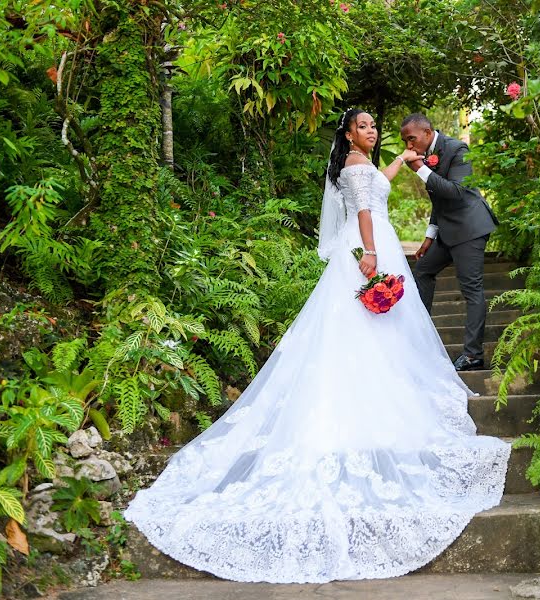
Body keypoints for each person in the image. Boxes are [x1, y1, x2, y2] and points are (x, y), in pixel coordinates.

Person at [124, 108, 510, 584]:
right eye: (364, 126)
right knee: (363, 328)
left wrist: (401, 162)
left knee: (377, 331)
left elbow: (379, 184)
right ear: (348, 133)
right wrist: (370, 253)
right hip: (370, 248)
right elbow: (366, 210)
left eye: (374, 127)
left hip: (378, 241)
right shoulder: (353, 166)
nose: (372, 132)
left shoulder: (364, 165)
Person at [400, 113, 499, 372]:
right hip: (446, 230)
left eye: (411, 139)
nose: (409, 146)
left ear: (427, 132)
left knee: (471, 289)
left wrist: (420, 169)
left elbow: (456, 191)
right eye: (405, 141)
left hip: (470, 228)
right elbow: (439, 200)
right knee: (421, 271)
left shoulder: (457, 149)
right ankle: (420, 341)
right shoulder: (426, 155)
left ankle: (473, 355)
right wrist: (429, 236)